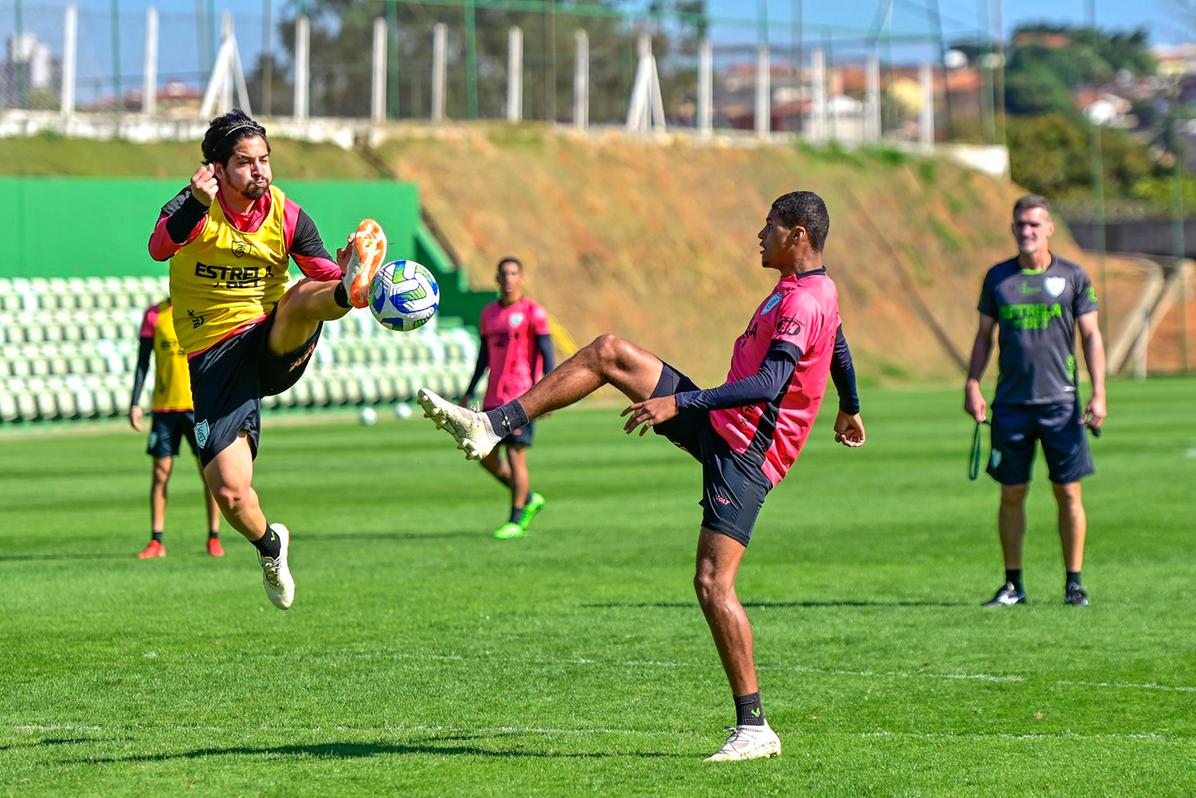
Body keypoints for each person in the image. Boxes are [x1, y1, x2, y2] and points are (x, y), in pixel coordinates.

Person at [418, 191, 865, 762]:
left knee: (712, 583)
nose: (760, 234)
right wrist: (849, 406)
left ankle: (754, 727)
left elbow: (771, 383)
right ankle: (493, 424)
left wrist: (682, 405)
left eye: (771, 226)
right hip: (726, 425)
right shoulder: (814, 291)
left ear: (798, 234)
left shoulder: (804, 301)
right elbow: (841, 347)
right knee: (610, 352)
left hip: (747, 452)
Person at [147, 108, 387, 610]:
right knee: (231, 493)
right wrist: (195, 203)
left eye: (265, 160)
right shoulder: (193, 204)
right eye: (245, 162)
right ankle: (270, 546)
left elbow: (315, 270)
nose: (260, 171)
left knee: (305, 295)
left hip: (275, 337)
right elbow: (159, 247)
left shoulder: (289, 215)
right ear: (215, 167)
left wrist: (340, 276)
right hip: (214, 357)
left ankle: (353, 288)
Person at [964, 194, 1106, 608]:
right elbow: (983, 336)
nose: (1026, 232)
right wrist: (973, 383)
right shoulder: (998, 279)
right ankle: (1013, 585)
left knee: (1068, 494)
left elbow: (1091, 336)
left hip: (1061, 404)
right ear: (1013, 229)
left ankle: (1073, 583)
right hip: (1010, 405)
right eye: (1020, 225)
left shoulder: (1074, 276)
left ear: (1049, 229)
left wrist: (1099, 392)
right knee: (1011, 494)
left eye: (1034, 225)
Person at [459, 257, 555, 539]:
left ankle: (515, 519)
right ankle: (528, 498)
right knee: (485, 455)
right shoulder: (489, 314)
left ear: (521, 278)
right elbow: (483, 357)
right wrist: (469, 390)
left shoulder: (533, 313)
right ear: (497, 279)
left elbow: (548, 356)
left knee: (515, 454)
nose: (509, 278)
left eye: (514, 273)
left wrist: (549, 395)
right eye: (504, 273)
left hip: (522, 396)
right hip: (493, 397)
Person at [128, 297, 223, 558]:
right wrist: (135, 402)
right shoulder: (154, 316)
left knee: (209, 474)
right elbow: (142, 362)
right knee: (160, 475)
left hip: (198, 408)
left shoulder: (202, 310)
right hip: (163, 409)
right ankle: (156, 540)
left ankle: (213, 537)